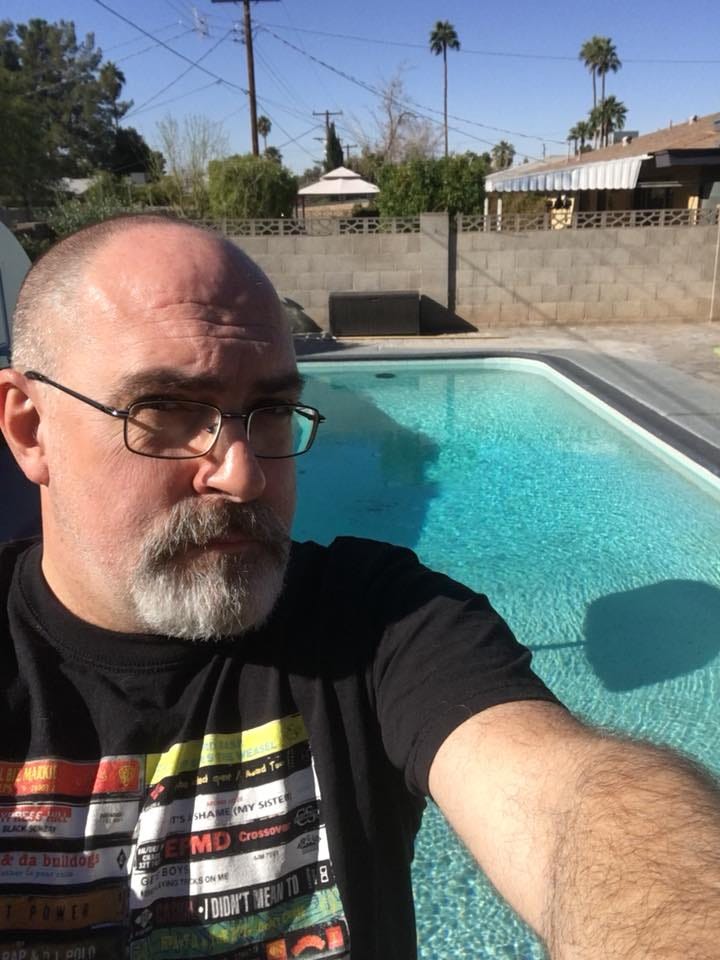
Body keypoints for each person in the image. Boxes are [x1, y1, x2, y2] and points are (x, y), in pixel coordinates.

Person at [0, 215, 718, 960]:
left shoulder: (378, 621)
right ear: (30, 427)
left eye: (272, 412)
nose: (245, 473)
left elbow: (570, 800)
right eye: (170, 411)